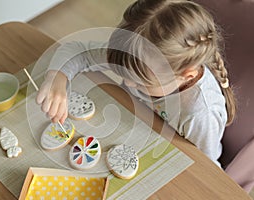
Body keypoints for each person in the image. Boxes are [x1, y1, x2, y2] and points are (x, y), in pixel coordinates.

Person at [36, 0, 236, 167]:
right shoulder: (133, 58)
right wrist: (58, 78)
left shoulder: (199, 114)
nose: (129, 84)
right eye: (124, 75)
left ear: (186, 75)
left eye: (141, 84)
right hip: (130, 129)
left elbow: (205, 165)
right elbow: (77, 52)